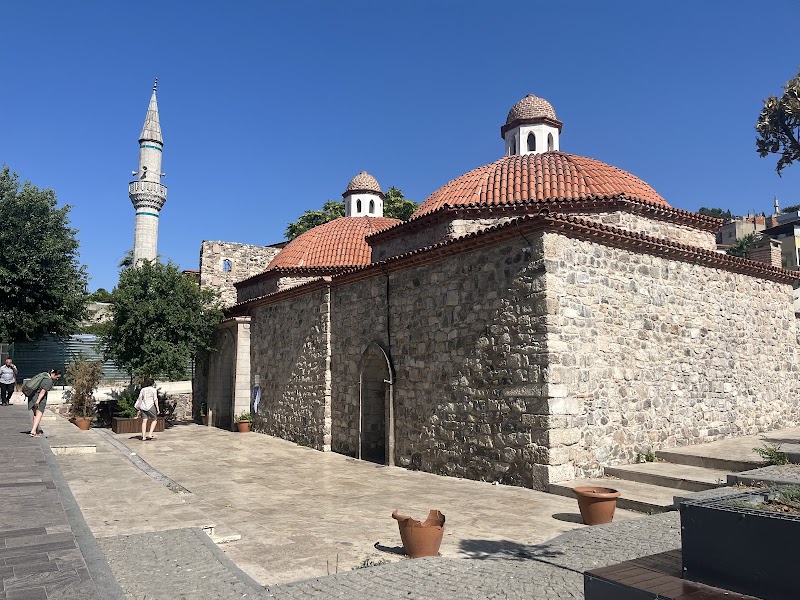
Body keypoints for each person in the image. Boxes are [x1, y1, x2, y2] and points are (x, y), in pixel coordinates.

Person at [28, 369, 62, 437]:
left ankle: (36, 430)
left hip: (32, 396)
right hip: (39, 399)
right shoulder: (49, 381)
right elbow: (42, 392)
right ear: (54, 374)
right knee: (39, 414)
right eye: (57, 377)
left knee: (35, 414)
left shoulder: (44, 375)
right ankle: (33, 431)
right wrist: (38, 401)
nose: (57, 379)